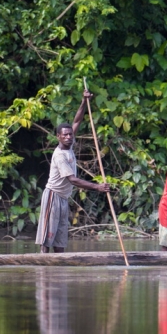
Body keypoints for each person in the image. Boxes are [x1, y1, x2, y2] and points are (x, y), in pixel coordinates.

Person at [35, 89, 111, 253]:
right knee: (47, 237)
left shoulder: (70, 143)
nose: (69, 137)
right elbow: (73, 180)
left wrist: (84, 101)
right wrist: (97, 187)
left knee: (61, 238)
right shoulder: (60, 155)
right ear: (58, 137)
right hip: (53, 196)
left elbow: (76, 121)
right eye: (65, 135)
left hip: (63, 198)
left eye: (70, 135)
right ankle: (42, 266)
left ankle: (59, 269)